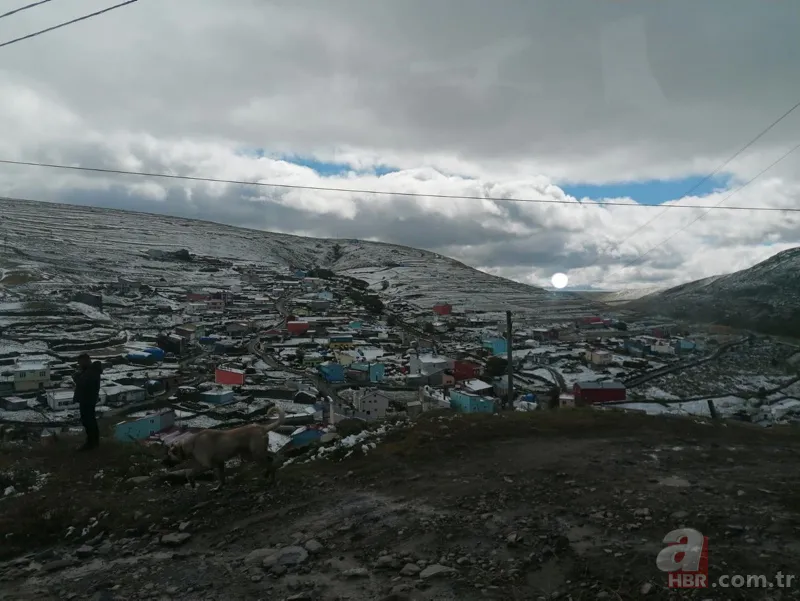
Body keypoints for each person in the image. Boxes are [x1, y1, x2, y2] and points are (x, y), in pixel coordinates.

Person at [72, 353, 103, 451]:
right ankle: (93, 442)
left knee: (89, 421)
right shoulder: (89, 371)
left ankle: (91, 443)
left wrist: (76, 377)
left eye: (80, 362)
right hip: (87, 399)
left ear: (85, 361)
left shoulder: (92, 372)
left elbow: (82, 383)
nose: (79, 365)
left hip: (88, 400)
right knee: (89, 421)